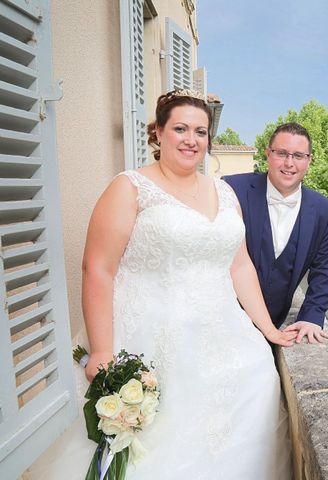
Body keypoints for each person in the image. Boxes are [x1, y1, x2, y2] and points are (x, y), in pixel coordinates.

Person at [28, 90, 295, 479]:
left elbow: (239, 266)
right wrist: (102, 351)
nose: (191, 139)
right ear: (158, 133)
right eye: (181, 129)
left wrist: (268, 328)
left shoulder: (224, 192)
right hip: (152, 343)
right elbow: (97, 268)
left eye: (201, 132)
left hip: (226, 341)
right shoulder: (130, 187)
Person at [225, 122, 328, 344]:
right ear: (268, 154)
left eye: (298, 155)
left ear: (309, 160)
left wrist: (313, 316)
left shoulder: (324, 210)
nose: (289, 163)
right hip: (221, 320)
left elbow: (325, 268)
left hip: (276, 328)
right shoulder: (232, 189)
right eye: (282, 153)